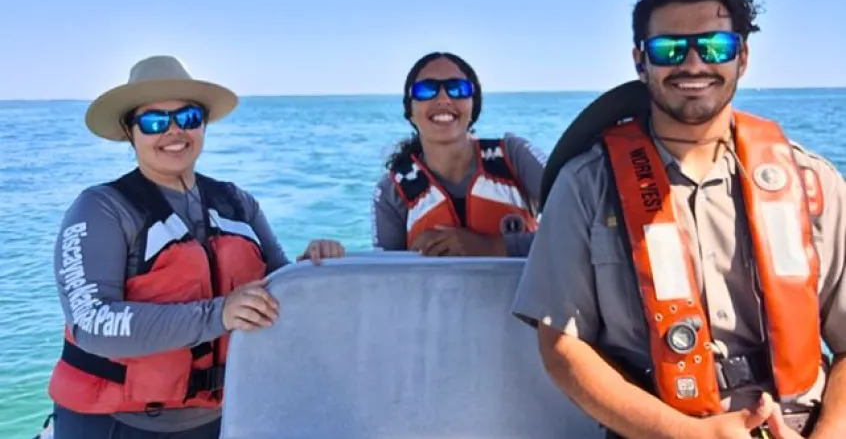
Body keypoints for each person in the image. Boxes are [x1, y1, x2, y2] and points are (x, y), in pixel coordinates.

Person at [511, 0, 846, 439]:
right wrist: (690, 435)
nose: (693, 64)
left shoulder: (814, 182)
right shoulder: (585, 186)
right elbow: (562, 347)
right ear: (639, 60)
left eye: (715, 46)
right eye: (669, 49)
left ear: (742, 57)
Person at [45, 55, 346, 439]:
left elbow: (279, 291)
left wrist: (311, 270)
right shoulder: (100, 209)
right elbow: (91, 323)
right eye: (154, 121)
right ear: (129, 130)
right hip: (115, 423)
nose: (174, 131)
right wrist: (218, 314)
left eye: (188, 117)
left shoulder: (238, 202)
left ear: (203, 125)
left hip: (220, 418)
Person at [371, 51, 547, 257]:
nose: (443, 99)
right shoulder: (392, 192)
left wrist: (493, 247)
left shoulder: (513, 157)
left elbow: (575, 227)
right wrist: (414, 258)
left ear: (474, 106)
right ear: (410, 111)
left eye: (458, 89)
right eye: (426, 90)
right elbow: (384, 272)